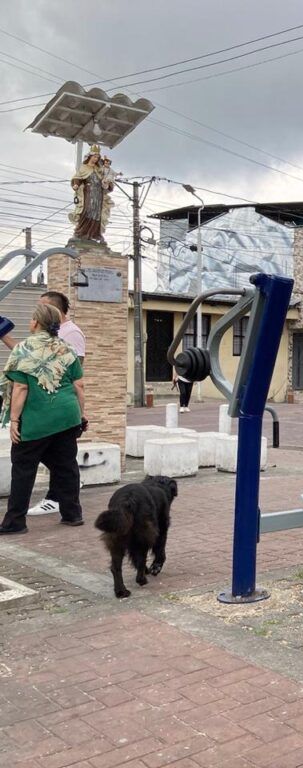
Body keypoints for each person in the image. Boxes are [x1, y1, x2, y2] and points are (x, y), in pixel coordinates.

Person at [0, 303, 86, 534]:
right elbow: (79, 385)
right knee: (66, 466)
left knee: (23, 469)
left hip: (37, 419)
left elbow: (20, 388)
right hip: (67, 416)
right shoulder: (66, 348)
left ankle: (15, 522)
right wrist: (81, 415)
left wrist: (15, 421)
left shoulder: (24, 349)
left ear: (37, 323)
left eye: (31, 319)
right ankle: (72, 514)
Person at [26, 292, 86, 517]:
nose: (37, 311)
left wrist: (81, 413)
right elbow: (27, 361)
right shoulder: (46, 336)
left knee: (54, 455)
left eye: (42, 306)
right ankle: (64, 491)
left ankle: (58, 496)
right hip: (45, 403)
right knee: (53, 454)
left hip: (60, 405)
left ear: (55, 310)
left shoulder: (72, 333)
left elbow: (75, 375)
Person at [69, 145, 109, 243]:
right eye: (94, 157)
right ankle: (80, 233)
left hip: (98, 193)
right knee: (86, 211)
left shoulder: (99, 169)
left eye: (97, 157)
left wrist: (106, 183)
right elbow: (77, 178)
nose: (95, 159)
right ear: (90, 156)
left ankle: (95, 234)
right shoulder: (84, 168)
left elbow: (107, 181)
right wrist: (76, 185)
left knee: (97, 214)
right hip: (88, 192)